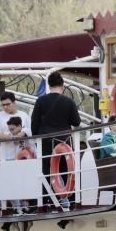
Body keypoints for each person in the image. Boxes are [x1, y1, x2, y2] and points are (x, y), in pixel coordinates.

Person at [30, 71, 81, 209]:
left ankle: (47, 203)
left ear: (49, 85)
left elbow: (34, 123)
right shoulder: (68, 101)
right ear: (62, 86)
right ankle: (70, 202)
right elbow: (76, 122)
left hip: (45, 143)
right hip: (63, 141)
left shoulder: (40, 101)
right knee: (66, 170)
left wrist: (37, 140)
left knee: (47, 172)